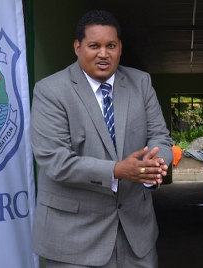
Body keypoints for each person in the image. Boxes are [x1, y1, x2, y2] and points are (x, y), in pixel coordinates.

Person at [30, 10, 173, 268]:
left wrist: (154, 166)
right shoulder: (50, 90)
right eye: (94, 46)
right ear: (77, 46)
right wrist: (119, 170)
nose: (103, 54)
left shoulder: (140, 82)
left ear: (120, 48)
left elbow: (160, 136)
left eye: (111, 45)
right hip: (74, 239)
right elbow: (55, 160)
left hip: (136, 238)